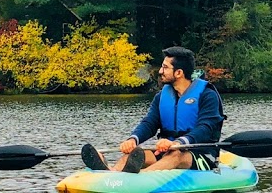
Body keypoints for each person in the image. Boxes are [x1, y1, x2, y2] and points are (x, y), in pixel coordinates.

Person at [82, 46, 224, 173]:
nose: (160, 71)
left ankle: (137, 180)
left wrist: (178, 143)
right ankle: (111, 174)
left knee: (176, 155)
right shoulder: (161, 96)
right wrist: (133, 139)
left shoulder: (207, 95)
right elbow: (149, 123)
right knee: (134, 154)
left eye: (165, 67)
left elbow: (205, 128)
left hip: (201, 154)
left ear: (179, 73)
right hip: (166, 150)